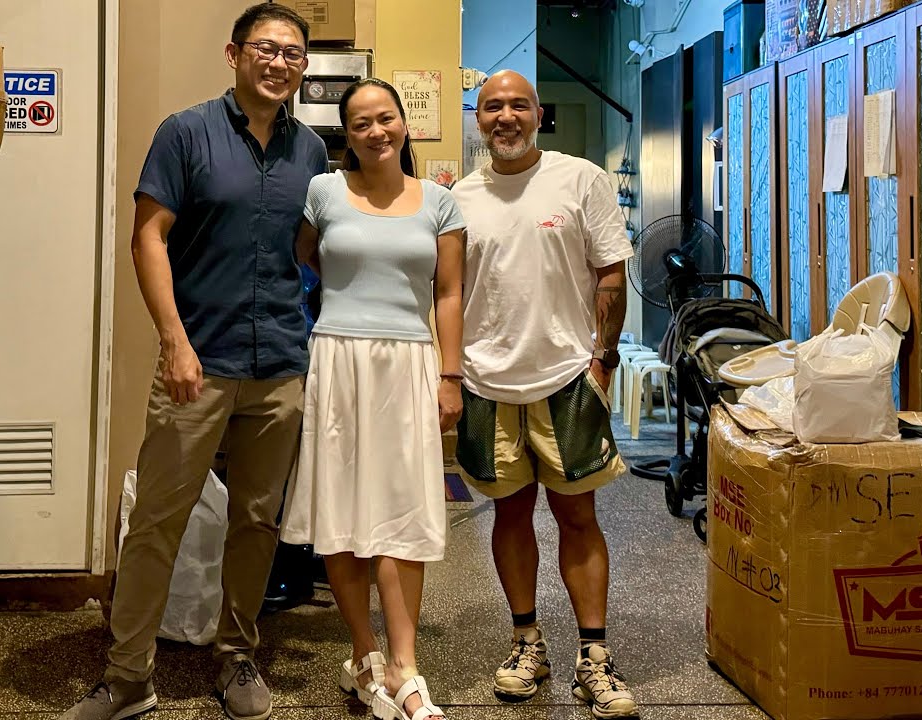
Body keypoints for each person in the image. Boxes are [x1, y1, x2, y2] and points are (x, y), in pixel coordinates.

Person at [60, 5, 327, 720]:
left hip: (279, 362)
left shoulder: (311, 154)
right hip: (198, 360)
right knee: (157, 521)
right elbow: (149, 239)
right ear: (234, 53)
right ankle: (125, 677)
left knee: (256, 521)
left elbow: (310, 253)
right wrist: (173, 341)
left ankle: (237, 655)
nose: (280, 63)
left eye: (293, 54)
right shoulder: (186, 132)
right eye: (267, 49)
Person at [451, 70, 639, 719]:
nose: (505, 116)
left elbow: (611, 270)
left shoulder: (580, 179)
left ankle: (595, 658)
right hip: (486, 380)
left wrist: (604, 359)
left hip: (566, 378)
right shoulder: (460, 197)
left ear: (538, 113)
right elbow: (445, 293)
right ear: (478, 117)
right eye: (492, 106)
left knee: (578, 517)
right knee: (509, 516)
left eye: (518, 105)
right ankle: (526, 642)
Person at [279, 78, 465, 720]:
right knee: (341, 515)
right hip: (337, 357)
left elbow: (448, 295)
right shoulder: (324, 192)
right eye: (360, 124)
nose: (375, 132)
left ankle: (406, 666)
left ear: (404, 124)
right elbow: (305, 256)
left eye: (385, 119)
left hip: (410, 362)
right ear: (346, 135)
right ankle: (363, 655)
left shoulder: (441, 203)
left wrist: (450, 375)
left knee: (403, 514)